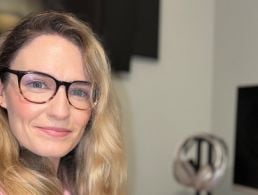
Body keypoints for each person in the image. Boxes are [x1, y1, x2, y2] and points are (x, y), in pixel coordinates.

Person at [0, 11, 126, 195]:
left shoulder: (80, 183)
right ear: (2, 92)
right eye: (38, 84)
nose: (60, 112)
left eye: (78, 91)